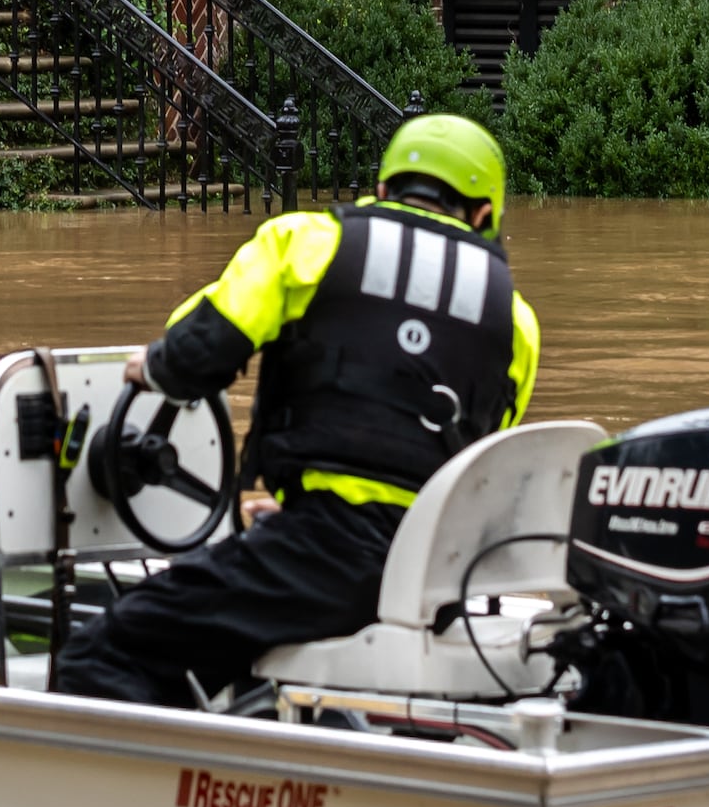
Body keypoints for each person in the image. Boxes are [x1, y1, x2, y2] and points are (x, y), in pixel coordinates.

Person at [57, 115, 540, 710]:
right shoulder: (514, 321)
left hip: (322, 556)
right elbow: (472, 465)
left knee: (101, 654)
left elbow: (200, 346)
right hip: (433, 577)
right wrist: (293, 509)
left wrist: (152, 367)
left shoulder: (308, 241)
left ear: (383, 190)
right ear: (485, 216)